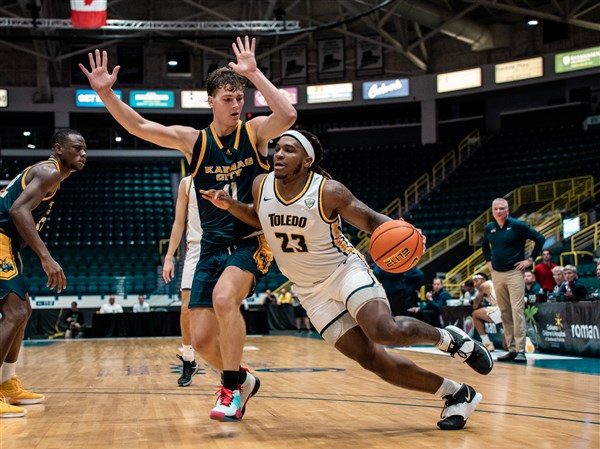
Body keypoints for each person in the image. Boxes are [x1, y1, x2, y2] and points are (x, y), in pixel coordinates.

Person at [201, 129, 493, 430]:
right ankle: (458, 394)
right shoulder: (261, 184)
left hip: (344, 271)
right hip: (309, 291)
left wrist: (407, 231)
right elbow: (260, 215)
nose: (279, 154)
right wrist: (232, 206)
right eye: (278, 148)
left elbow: (370, 219)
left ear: (306, 161)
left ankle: (452, 340)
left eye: (289, 150)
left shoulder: (328, 191)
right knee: (371, 359)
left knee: (383, 329)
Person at [80, 35, 297, 422]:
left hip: (249, 240)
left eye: (239, 98)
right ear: (210, 101)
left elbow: (288, 116)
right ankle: (243, 379)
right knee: (200, 342)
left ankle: (229, 389)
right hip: (210, 248)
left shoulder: (256, 132)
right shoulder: (194, 141)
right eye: (227, 98)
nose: (236, 104)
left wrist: (254, 73)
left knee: (225, 299)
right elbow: (140, 126)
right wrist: (106, 96)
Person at [0, 129, 87, 418]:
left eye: (85, 149)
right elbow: (17, 211)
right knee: (14, 313)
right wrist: (46, 258)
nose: (83, 153)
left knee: (23, 310)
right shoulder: (49, 172)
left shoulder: (51, 177)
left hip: (9, 244)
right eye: (77, 148)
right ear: (59, 149)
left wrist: (20, 255)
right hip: (1, 238)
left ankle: (7, 383)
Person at [482, 198, 545, 363]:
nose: (499, 211)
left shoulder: (517, 225)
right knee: (504, 312)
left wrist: (530, 260)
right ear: (492, 211)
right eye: (496, 209)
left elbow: (539, 238)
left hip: (514, 273)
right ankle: (510, 350)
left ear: (507, 210)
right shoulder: (489, 228)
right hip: (497, 274)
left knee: (517, 311)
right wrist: (488, 261)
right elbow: (484, 245)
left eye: (502, 209)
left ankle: (520, 350)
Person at [162, 175, 202, 387]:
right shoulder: (187, 183)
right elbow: (179, 223)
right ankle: (189, 359)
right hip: (195, 251)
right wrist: (169, 257)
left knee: (222, 309)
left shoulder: (227, 176)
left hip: (222, 248)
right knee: (186, 307)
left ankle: (228, 367)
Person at [471, 273, 502, 352]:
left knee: (475, 314)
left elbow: (475, 305)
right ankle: (526, 340)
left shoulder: (484, 286)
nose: (475, 284)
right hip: (508, 309)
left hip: (500, 309)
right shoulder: (492, 283)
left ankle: (486, 342)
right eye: (473, 282)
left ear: (483, 279)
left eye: (476, 281)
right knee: (506, 346)